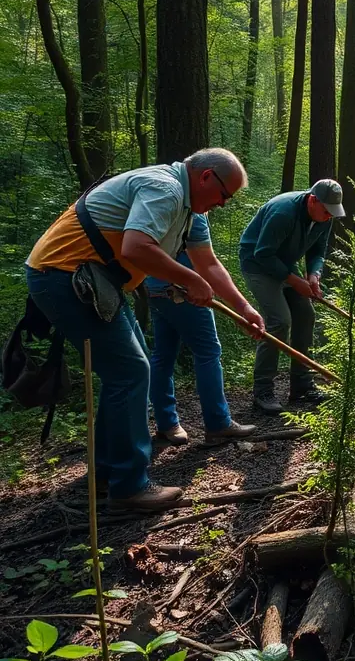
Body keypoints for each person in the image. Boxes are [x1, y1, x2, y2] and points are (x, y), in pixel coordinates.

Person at [25, 149, 264, 512]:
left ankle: (108, 472)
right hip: (64, 277)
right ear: (205, 177)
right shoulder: (164, 189)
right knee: (130, 371)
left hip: (97, 282)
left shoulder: (190, 211)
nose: (223, 204)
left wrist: (243, 309)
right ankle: (129, 486)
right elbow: (136, 247)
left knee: (131, 370)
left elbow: (209, 264)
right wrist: (188, 278)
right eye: (224, 195)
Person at [145, 212, 257, 446]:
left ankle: (167, 424)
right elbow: (208, 264)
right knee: (208, 352)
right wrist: (242, 306)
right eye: (222, 196)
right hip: (184, 292)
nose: (223, 204)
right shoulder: (190, 208)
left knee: (162, 355)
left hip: (154, 287)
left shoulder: (161, 205)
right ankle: (218, 423)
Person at [239, 179, 344, 415]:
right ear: (313, 199)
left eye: (332, 213)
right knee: (279, 321)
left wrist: (313, 275)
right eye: (326, 211)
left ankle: (302, 385)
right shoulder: (283, 212)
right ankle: (263, 391)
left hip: (285, 263)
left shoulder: (324, 217)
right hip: (258, 264)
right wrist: (295, 280)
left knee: (305, 315)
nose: (329, 217)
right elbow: (263, 253)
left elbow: (318, 250)